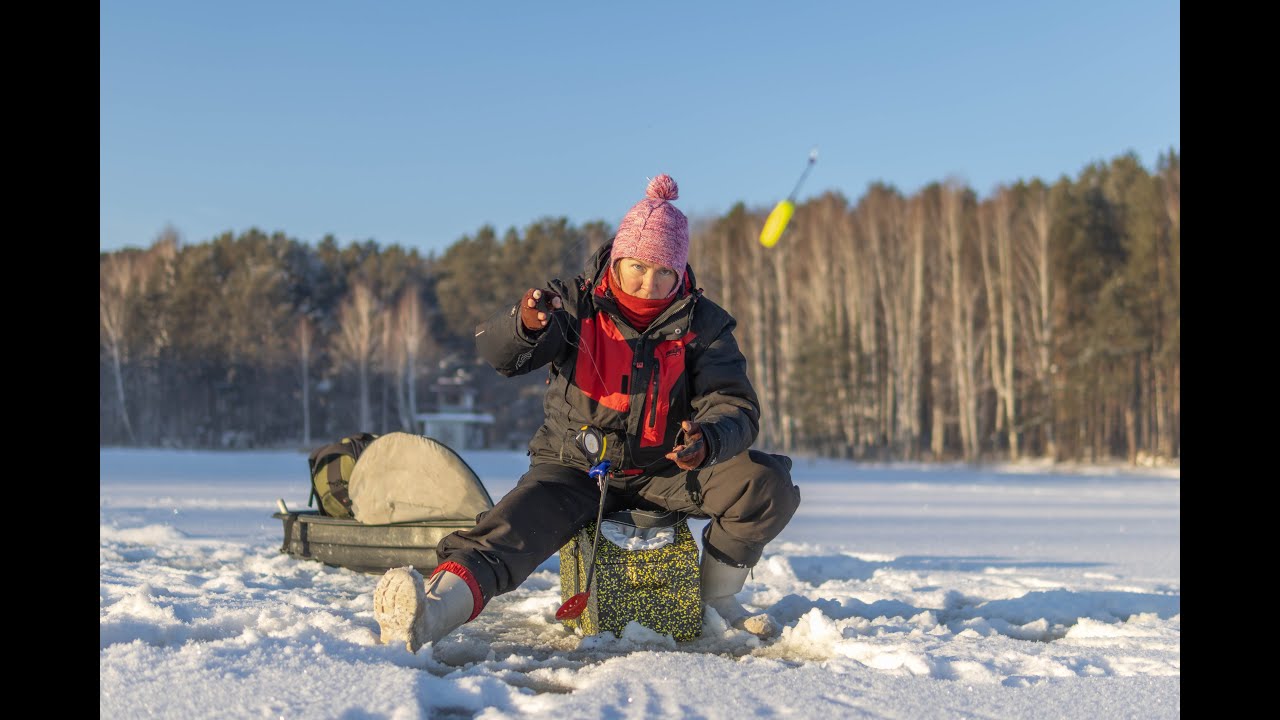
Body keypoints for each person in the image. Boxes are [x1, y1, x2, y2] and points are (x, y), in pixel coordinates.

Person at [373, 174, 801, 652]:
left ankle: (716, 602)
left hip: (666, 471)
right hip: (574, 468)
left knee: (766, 485)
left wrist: (707, 439)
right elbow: (501, 354)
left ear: (681, 273)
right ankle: (431, 613)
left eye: (664, 272)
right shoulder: (572, 302)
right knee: (508, 529)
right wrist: (526, 324)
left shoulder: (706, 325)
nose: (649, 282)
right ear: (617, 258)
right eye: (638, 266)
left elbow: (735, 405)